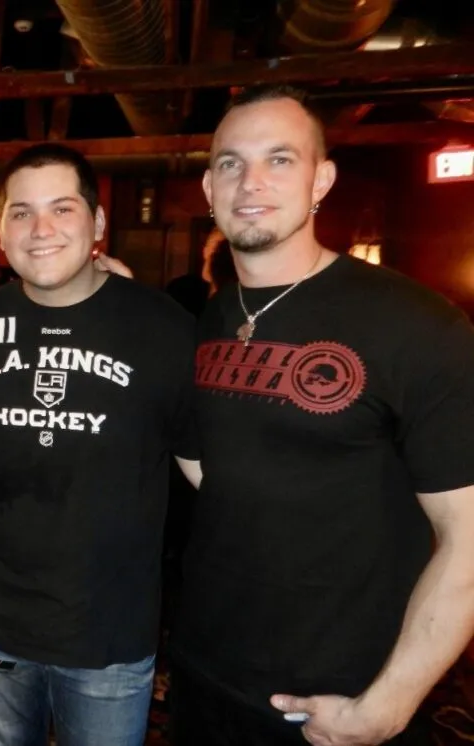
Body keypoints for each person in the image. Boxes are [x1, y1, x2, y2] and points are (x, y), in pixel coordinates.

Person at [169, 84, 474, 746]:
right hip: (204, 670)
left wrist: (386, 707)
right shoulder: (215, 316)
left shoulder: (417, 326)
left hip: (337, 695)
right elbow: (208, 465)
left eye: (280, 159)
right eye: (230, 162)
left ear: (321, 180)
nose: (251, 181)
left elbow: (469, 540)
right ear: (209, 188)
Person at [0, 143, 201, 746]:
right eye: (21, 211)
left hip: (106, 631)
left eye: (62, 208)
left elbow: (204, 465)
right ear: (1, 228)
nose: (40, 228)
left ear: (98, 223)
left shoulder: (165, 329)